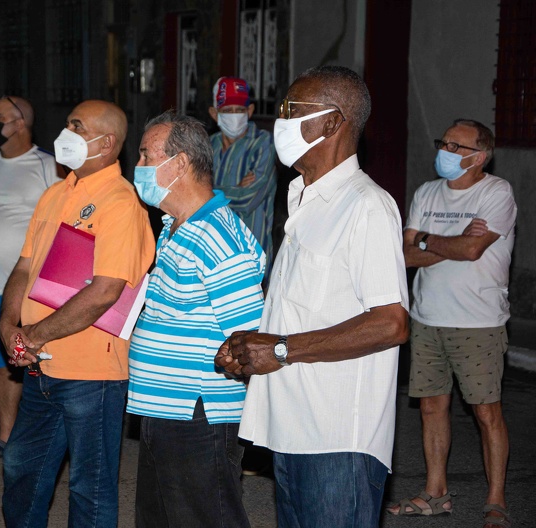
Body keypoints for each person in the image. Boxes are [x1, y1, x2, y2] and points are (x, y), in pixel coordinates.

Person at [215, 65, 410, 527]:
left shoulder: (366, 205)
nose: (279, 121)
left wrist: (281, 349)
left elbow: (391, 322)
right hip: (291, 429)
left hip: (337, 440)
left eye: (291, 110)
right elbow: (302, 310)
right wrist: (250, 347)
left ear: (332, 122)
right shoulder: (303, 200)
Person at [0, 100, 155, 527]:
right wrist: (8, 325)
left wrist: (32, 335)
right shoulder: (55, 194)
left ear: (106, 143)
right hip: (40, 365)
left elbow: (104, 292)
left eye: (76, 126)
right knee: (21, 469)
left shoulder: (120, 203)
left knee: (90, 488)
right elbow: (25, 266)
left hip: (91, 374)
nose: (65, 133)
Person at [127, 111, 266, 527]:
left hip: (198, 415)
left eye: (146, 155)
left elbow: (249, 339)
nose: (138, 166)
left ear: (180, 163)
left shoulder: (218, 237)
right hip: (166, 408)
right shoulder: (175, 227)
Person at [387, 120, 516, 528]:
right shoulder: (426, 192)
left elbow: (474, 248)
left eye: (456, 146)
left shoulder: (496, 193)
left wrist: (427, 240)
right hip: (427, 317)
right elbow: (403, 256)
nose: (445, 150)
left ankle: (496, 499)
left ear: (479, 157)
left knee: (486, 413)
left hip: (477, 321)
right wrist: (451, 242)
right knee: (431, 407)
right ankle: (435, 492)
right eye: (444, 142)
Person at [0, 95, 58, 461]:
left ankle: (41, 440)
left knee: (38, 363)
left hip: (32, 290)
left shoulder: (48, 166)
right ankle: (5, 438)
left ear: (20, 123)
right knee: (3, 363)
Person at [208, 76, 277, 285]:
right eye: (227, 111)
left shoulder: (263, 143)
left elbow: (248, 199)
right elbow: (189, 196)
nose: (234, 116)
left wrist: (208, 192)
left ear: (250, 110)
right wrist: (234, 189)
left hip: (251, 258)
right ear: (214, 114)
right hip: (211, 255)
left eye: (240, 110)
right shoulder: (207, 146)